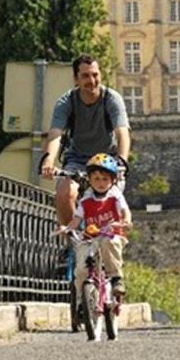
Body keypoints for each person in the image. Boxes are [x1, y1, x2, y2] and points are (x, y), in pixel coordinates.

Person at [41, 54, 131, 226]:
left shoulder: (112, 99)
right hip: (77, 160)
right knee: (64, 193)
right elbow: (55, 134)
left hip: (107, 162)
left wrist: (122, 162)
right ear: (76, 79)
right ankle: (74, 243)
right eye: (85, 76)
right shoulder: (66, 102)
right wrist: (48, 160)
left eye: (95, 75)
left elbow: (122, 134)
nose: (92, 80)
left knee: (108, 205)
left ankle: (108, 243)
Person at [59, 153, 131, 296]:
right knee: (81, 269)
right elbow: (77, 219)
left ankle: (116, 278)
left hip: (111, 234)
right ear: (89, 180)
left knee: (108, 243)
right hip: (90, 237)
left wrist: (125, 221)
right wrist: (67, 228)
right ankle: (81, 299)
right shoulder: (86, 199)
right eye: (96, 179)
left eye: (105, 179)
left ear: (112, 180)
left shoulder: (115, 195)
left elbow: (124, 210)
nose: (101, 183)